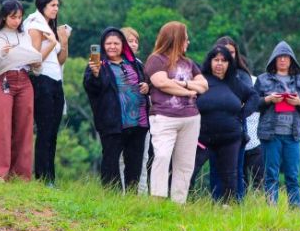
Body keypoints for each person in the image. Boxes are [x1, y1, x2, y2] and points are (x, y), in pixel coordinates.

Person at [144, 21, 208, 204]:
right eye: (185, 38)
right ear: (176, 39)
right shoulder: (156, 59)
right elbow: (161, 83)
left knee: (185, 163)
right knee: (162, 156)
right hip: (164, 117)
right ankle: (158, 199)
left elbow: (204, 85)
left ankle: (178, 203)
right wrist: (189, 92)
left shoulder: (189, 63)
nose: (188, 42)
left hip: (190, 118)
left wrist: (184, 84)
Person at [0, 0, 42, 182]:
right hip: (3, 81)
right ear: (4, 16)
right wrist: (0, 53)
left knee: (24, 127)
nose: (17, 21)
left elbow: (35, 66)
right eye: (13, 17)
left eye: (20, 17)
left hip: (24, 80)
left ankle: (20, 174)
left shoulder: (24, 36)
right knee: (2, 126)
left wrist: (37, 64)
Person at [84, 27, 149, 190]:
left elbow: (145, 82)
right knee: (111, 162)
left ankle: (131, 200)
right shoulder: (98, 65)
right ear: (102, 45)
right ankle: (111, 197)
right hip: (112, 123)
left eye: (116, 43)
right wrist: (96, 74)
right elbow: (91, 88)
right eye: (108, 43)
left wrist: (147, 86)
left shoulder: (134, 63)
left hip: (138, 122)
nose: (112, 46)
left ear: (123, 45)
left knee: (134, 164)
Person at [192, 45, 258, 202]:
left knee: (230, 174)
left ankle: (228, 206)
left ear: (229, 63)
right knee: (190, 170)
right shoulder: (202, 81)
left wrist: (242, 114)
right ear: (210, 61)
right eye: (216, 60)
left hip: (230, 136)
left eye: (223, 60)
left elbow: (253, 96)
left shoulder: (234, 82)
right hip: (202, 136)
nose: (219, 64)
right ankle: (182, 202)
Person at [254, 41, 300, 208]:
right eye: (279, 57)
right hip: (270, 135)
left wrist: (299, 102)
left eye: (286, 57)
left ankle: (295, 210)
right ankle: (271, 210)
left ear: (291, 60)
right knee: (271, 174)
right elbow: (254, 104)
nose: (282, 60)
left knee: (293, 176)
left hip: (293, 135)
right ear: (273, 59)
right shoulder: (262, 80)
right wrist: (269, 99)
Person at [24, 0, 70, 186]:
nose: (56, 9)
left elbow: (60, 60)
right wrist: (52, 43)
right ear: (42, 5)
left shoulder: (50, 27)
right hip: (41, 79)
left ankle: (51, 176)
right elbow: (34, 60)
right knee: (45, 130)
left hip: (56, 80)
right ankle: (43, 176)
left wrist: (64, 41)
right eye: (52, 5)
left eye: (57, 5)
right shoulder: (35, 25)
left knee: (53, 131)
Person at [208, 36, 254, 199]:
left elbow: (251, 99)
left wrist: (240, 113)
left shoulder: (241, 76)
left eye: (232, 52)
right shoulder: (208, 77)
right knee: (215, 167)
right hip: (212, 128)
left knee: (236, 168)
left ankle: (237, 204)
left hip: (236, 127)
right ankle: (216, 202)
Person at [118, 26, 152, 195]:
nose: (133, 44)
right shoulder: (112, 63)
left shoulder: (139, 64)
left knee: (142, 158)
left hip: (141, 118)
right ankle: (122, 193)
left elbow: (148, 84)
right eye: (129, 41)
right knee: (121, 159)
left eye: (135, 41)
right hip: (121, 119)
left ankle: (141, 194)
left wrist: (147, 86)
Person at [243, 75, 263, 190]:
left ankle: (259, 204)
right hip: (239, 140)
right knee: (241, 178)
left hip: (257, 140)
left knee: (259, 179)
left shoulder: (257, 82)